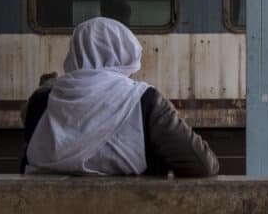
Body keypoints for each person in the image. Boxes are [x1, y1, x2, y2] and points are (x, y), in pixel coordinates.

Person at [20, 17, 219, 177]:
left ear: (75, 53)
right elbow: (203, 165)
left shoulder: (42, 100)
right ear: (125, 55)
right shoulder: (144, 100)